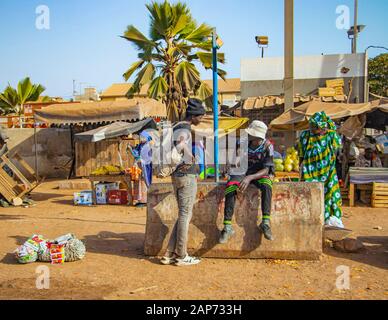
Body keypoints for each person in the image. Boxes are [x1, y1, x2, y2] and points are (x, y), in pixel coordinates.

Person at [161, 98, 206, 267]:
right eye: (200, 116)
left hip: (177, 175)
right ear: (193, 115)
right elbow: (180, 143)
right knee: (185, 216)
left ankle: (168, 254)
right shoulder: (185, 128)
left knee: (182, 215)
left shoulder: (176, 125)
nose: (201, 119)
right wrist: (190, 155)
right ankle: (181, 255)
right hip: (186, 176)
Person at [219, 120, 275, 244]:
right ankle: (227, 226)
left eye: (252, 134)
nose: (249, 136)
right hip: (242, 171)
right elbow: (237, 159)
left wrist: (250, 178)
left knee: (267, 185)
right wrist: (230, 165)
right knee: (231, 186)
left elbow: (266, 169)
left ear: (257, 136)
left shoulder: (268, 146)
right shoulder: (243, 142)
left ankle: (265, 222)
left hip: (259, 172)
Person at [298, 111, 344, 228]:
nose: (311, 128)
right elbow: (301, 155)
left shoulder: (331, 135)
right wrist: (299, 168)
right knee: (308, 197)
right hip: (310, 173)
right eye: (311, 126)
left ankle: (329, 221)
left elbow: (337, 150)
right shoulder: (305, 135)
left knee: (330, 196)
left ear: (322, 127)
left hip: (328, 173)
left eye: (314, 127)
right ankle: (309, 223)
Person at [129, 131, 153, 207]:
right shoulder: (141, 145)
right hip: (140, 166)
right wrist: (132, 148)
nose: (141, 139)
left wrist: (132, 151)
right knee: (140, 182)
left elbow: (141, 155)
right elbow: (136, 152)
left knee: (146, 181)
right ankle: (141, 200)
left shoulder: (149, 145)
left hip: (146, 166)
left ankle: (146, 200)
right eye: (140, 137)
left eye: (142, 137)